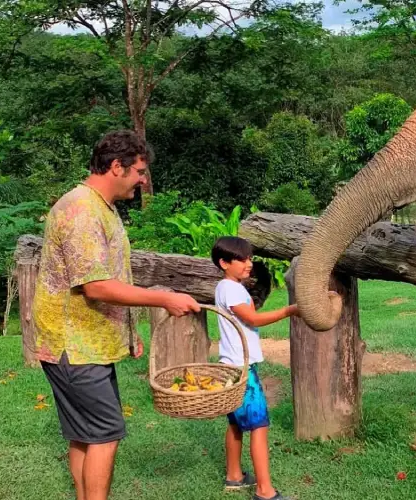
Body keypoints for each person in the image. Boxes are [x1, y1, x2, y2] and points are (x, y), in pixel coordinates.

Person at [32, 129, 201, 500]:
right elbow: (96, 286)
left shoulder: (101, 208)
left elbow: (110, 276)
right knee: (106, 434)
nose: (143, 180)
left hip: (86, 342)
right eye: (139, 171)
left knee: (85, 434)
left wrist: (128, 332)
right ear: (115, 167)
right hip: (74, 346)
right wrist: (163, 299)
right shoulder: (81, 211)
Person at [212, 236, 298, 500]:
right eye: (242, 259)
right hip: (242, 368)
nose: (249, 264)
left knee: (236, 424)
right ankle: (264, 490)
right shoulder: (233, 289)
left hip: (230, 365)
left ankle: (234, 476)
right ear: (224, 263)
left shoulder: (224, 287)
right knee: (259, 426)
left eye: (249, 258)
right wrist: (289, 311)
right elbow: (253, 318)